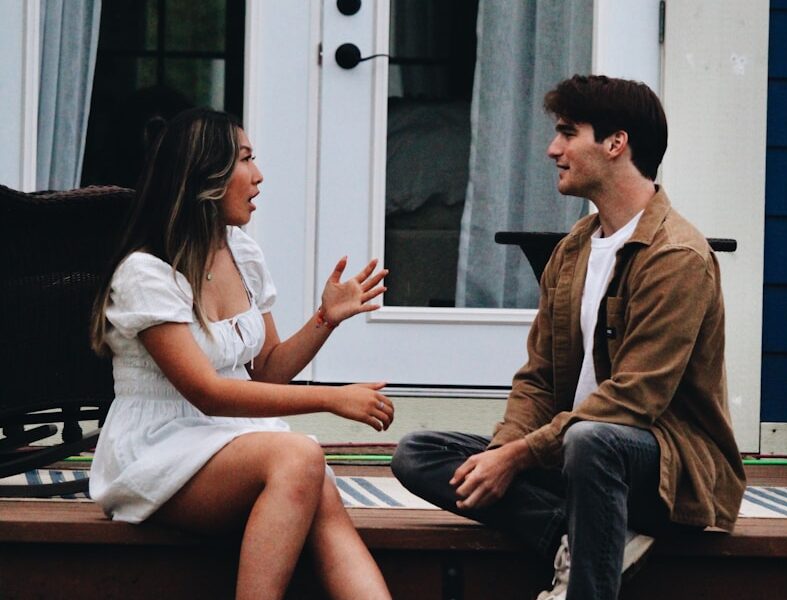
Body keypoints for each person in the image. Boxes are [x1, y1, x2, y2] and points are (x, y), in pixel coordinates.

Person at [391, 75, 746, 600]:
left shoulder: (676, 257)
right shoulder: (576, 247)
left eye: (567, 133)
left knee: (592, 439)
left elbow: (633, 401)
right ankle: (582, 535)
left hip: (664, 468)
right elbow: (538, 377)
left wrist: (515, 459)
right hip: (576, 457)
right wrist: (504, 450)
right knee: (418, 453)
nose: (552, 149)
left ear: (615, 143)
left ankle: (584, 577)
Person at [89, 107, 393, 600]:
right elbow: (207, 393)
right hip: (159, 448)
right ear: (204, 177)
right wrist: (331, 398)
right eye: (246, 160)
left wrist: (325, 320)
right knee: (299, 454)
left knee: (319, 492)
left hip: (235, 441)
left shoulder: (241, 253)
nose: (259, 175)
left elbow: (267, 370)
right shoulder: (145, 274)